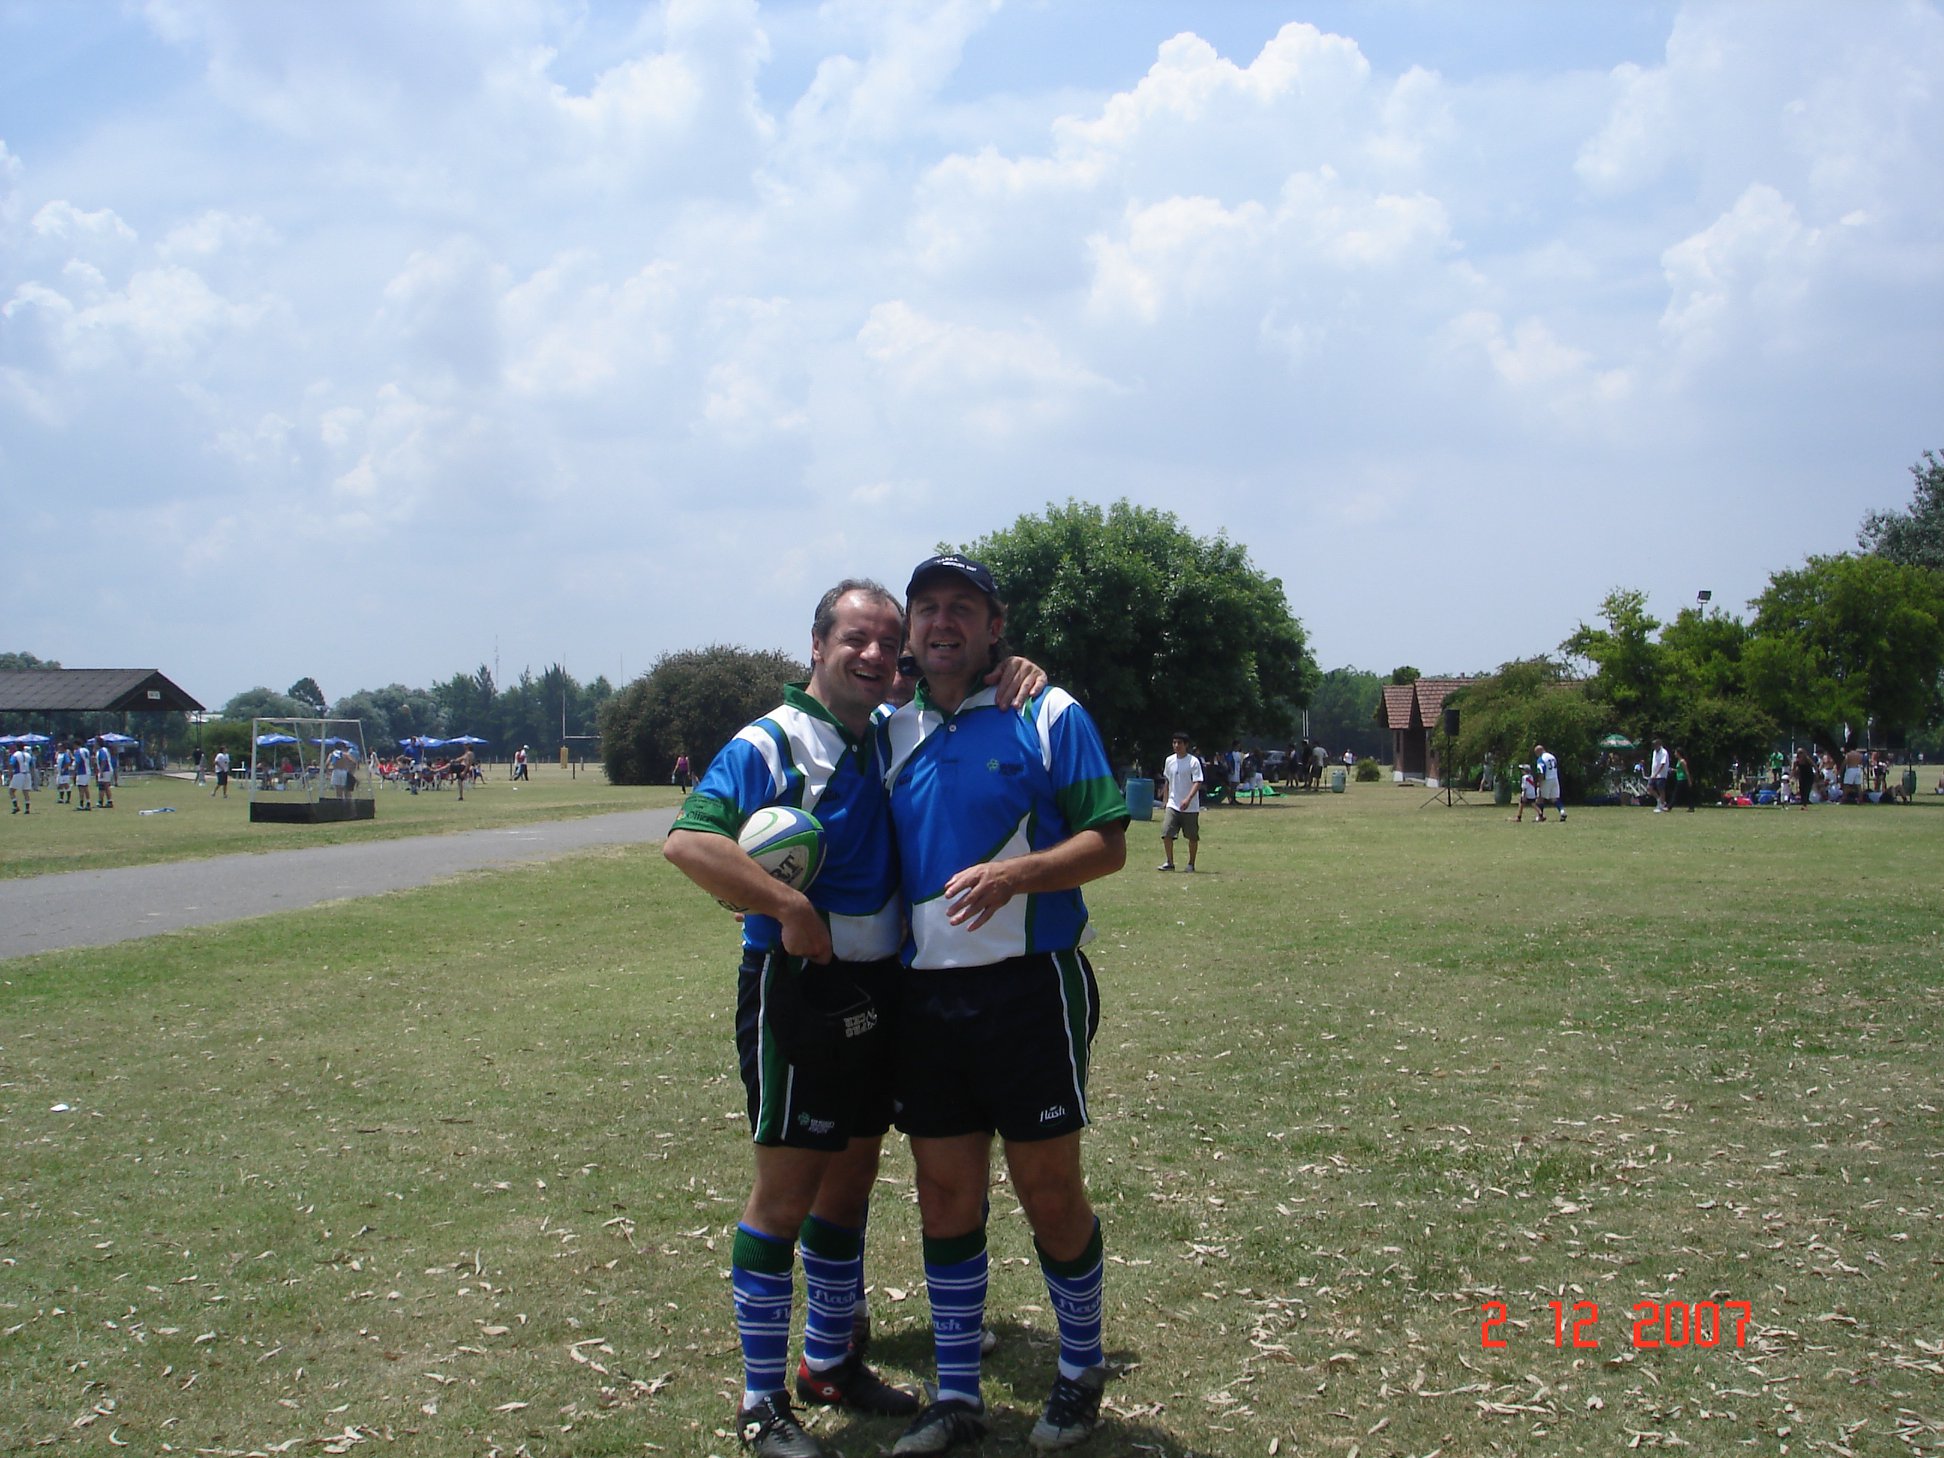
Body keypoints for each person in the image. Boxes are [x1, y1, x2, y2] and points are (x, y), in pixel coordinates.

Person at [664, 579, 1045, 1458]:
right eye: (856, 641)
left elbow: (974, 689)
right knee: (786, 1194)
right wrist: (784, 908)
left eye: (887, 644)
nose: (875, 655)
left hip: (882, 991)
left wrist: (1019, 665)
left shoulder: (883, 731)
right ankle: (761, 1402)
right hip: (799, 988)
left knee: (851, 1183)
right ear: (816, 645)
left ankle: (829, 1361)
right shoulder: (773, 739)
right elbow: (691, 840)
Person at [879, 553, 1128, 1454]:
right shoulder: (886, 730)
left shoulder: (1049, 713)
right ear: (910, 630)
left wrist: (1017, 873)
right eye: (928, 609)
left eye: (963, 609)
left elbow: (1108, 843)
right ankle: (955, 1394)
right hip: (925, 998)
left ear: (995, 626)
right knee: (944, 1195)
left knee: (1048, 1189)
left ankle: (1078, 1371)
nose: (943, 622)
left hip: (1030, 989)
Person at [1158, 731, 1203, 871]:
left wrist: (1188, 799)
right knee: (1166, 833)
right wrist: (1165, 800)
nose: (1176, 745)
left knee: (1192, 837)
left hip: (1190, 807)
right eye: (1174, 743)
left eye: (1179, 743)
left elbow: (1198, 782)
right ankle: (1170, 862)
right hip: (1173, 804)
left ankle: (1191, 864)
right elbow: (1167, 780)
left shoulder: (1193, 762)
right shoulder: (1169, 760)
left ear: (1186, 745)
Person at [1533, 743, 1564, 822]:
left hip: (1546, 779)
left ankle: (1540, 816)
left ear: (1539, 751)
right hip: (1554, 778)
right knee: (1554, 798)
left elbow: (1541, 771)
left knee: (1540, 798)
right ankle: (1562, 812)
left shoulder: (1541, 759)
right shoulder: (1552, 757)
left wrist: (1539, 782)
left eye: (1536, 753)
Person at [7, 742, 32, 815]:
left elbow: (11, 764)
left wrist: (10, 774)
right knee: (26, 792)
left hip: (18, 774)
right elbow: (31, 766)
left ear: (16, 747)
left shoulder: (15, 754)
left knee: (11, 791)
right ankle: (27, 809)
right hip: (27, 774)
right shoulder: (28, 755)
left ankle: (15, 807)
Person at [1649, 738, 1670, 812]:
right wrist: (1653, 774)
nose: (1654, 747)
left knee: (1661, 790)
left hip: (1661, 775)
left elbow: (1662, 764)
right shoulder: (1654, 752)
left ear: (1659, 745)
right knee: (1649, 788)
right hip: (1653, 774)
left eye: (1655, 745)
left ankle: (1661, 806)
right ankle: (1660, 801)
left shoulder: (1664, 752)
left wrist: (1657, 773)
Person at [95, 739, 116, 808]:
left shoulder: (102, 751)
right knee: (104, 786)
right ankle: (105, 801)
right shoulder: (102, 750)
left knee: (104, 786)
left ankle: (105, 801)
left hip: (105, 770)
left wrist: (101, 771)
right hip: (105, 770)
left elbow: (104, 761)